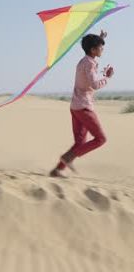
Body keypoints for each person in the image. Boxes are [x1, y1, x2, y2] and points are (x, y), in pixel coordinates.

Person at [50, 31, 113, 177]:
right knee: (101, 139)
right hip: (84, 107)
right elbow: (95, 84)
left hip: (75, 107)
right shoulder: (89, 64)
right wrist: (107, 77)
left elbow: (92, 52)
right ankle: (67, 158)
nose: (102, 49)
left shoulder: (85, 60)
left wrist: (100, 39)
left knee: (80, 143)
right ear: (93, 49)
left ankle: (57, 170)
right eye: (100, 47)